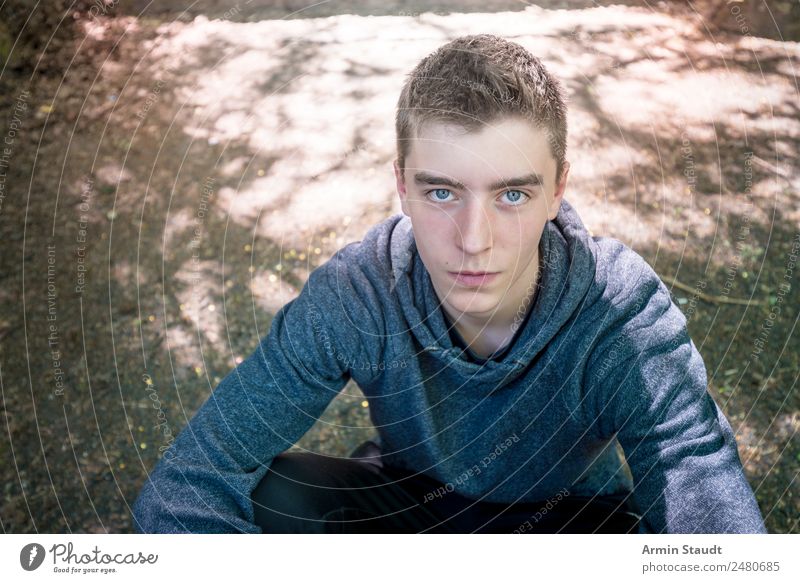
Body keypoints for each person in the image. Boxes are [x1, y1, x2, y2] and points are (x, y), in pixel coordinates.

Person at [131, 34, 767, 534]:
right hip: (409, 508)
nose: (474, 239)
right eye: (442, 191)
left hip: (569, 524)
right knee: (280, 494)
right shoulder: (361, 292)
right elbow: (195, 472)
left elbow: (697, 478)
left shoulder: (618, 310)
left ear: (558, 191)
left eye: (512, 193)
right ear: (402, 186)